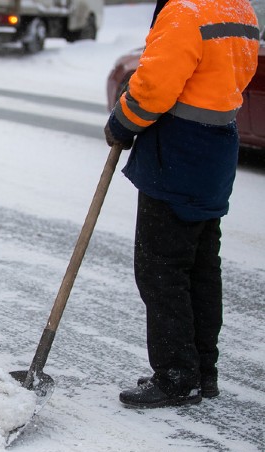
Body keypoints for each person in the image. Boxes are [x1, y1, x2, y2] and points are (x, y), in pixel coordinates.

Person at [104, 0, 260, 408]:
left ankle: (176, 376)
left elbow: (153, 87)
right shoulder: (241, 9)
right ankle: (201, 372)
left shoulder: (186, 12)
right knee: (201, 268)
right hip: (217, 150)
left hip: (178, 154)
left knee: (161, 270)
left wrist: (121, 121)